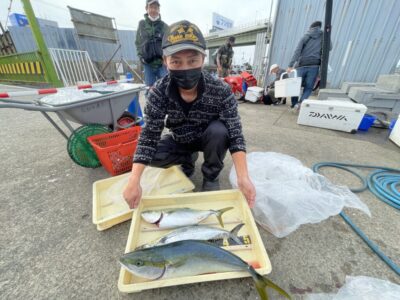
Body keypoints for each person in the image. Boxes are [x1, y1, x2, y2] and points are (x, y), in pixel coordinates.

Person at [123, 20, 256, 209]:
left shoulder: (221, 90)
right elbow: (149, 136)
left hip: (208, 138)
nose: (185, 68)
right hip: (180, 139)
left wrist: (243, 177)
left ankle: (210, 177)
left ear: (203, 58)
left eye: (192, 60)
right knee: (148, 155)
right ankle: (187, 159)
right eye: (176, 61)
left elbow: (235, 134)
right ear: (165, 61)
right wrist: (134, 180)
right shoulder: (157, 92)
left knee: (220, 131)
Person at [287, 21, 327, 109]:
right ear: (320, 27)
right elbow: (329, 47)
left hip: (301, 65)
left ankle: (294, 104)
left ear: (311, 28)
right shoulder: (323, 37)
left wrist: (290, 65)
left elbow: (297, 51)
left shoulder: (305, 36)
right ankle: (300, 104)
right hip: (314, 66)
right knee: (308, 87)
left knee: (295, 86)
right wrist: (326, 35)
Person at [135, 0, 169, 87]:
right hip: (148, 64)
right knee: (149, 89)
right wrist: (140, 56)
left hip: (162, 64)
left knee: (166, 87)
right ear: (146, 8)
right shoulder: (142, 24)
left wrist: (167, 59)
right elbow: (138, 42)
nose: (153, 10)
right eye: (151, 7)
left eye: (156, 8)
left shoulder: (165, 26)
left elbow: (169, 43)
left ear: (159, 10)